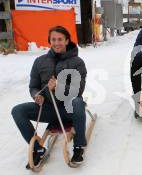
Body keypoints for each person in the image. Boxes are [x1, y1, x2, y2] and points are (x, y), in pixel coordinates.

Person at [11, 26, 88, 167]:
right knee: (17, 110)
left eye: (60, 39)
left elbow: (78, 90)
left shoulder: (77, 62)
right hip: (48, 110)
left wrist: (59, 86)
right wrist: (36, 95)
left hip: (69, 110)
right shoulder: (40, 62)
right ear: (49, 41)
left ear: (67, 41)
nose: (56, 42)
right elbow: (33, 86)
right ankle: (37, 149)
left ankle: (79, 147)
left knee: (77, 102)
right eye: (53, 39)